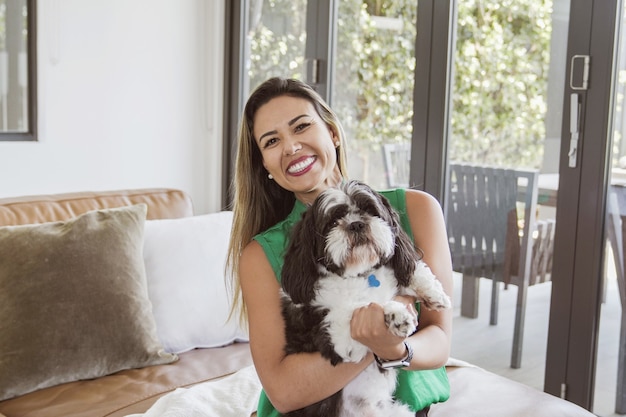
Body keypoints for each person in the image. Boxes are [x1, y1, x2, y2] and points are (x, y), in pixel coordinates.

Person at [226, 77, 453, 417]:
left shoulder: (416, 210)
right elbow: (285, 393)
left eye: (301, 126)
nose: (290, 147)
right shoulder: (262, 253)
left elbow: (440, 339)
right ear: (265, 166)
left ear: (332, 132)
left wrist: (395, 348)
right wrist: (376, 332)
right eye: (272, 141)